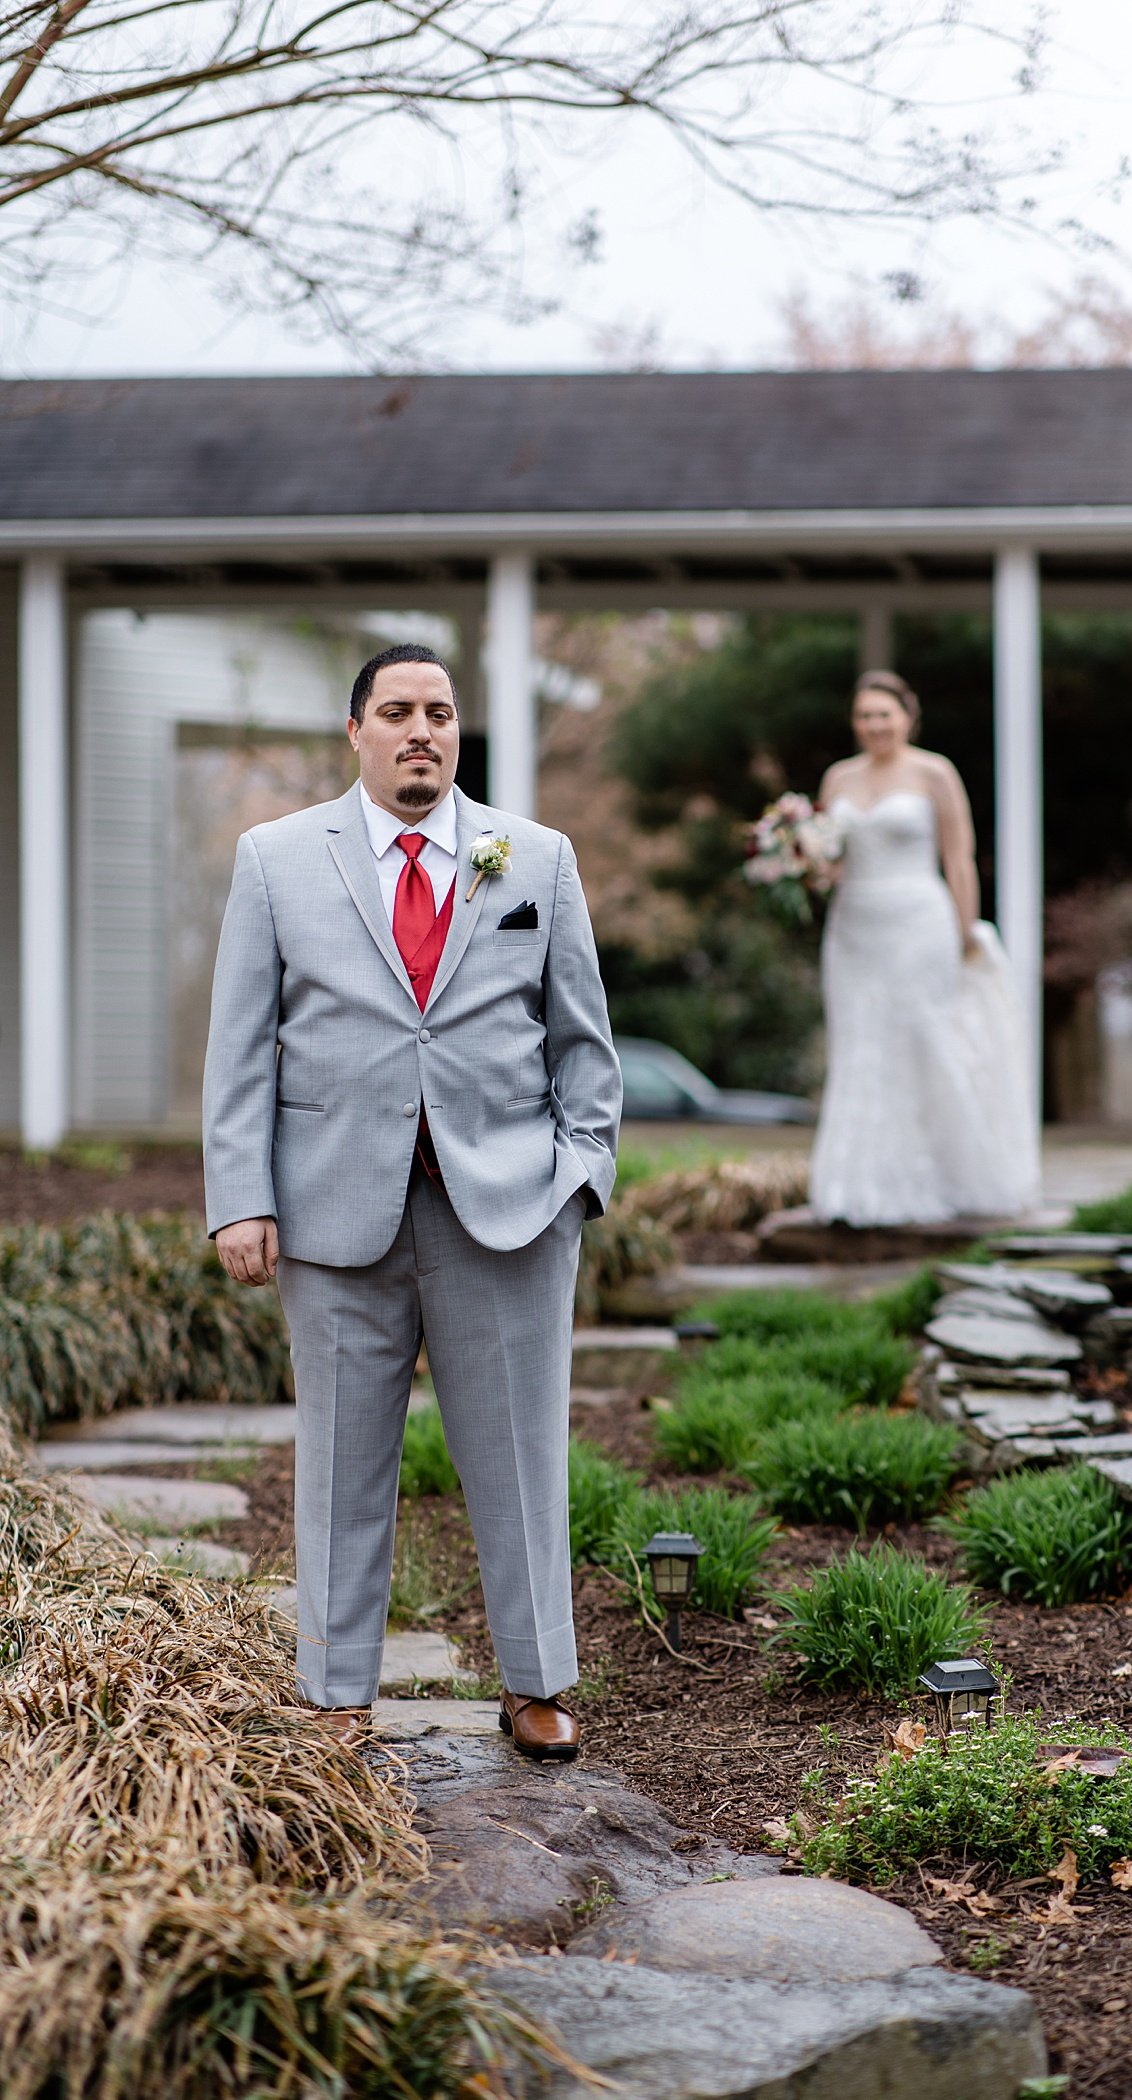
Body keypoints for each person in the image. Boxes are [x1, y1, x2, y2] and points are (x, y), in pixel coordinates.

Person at [203, 642, 622, 1758]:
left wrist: (580, 1176)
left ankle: (535, 1683)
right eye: (397, 710)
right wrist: (240, 1197)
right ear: (357, 733)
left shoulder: (533, 857)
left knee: (522, 1462)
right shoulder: (275, 858)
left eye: (438, 710)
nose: (420, 729)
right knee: (340, 1461)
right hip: (333, 1211)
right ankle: (340, 1690)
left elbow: (585, 1041)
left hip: (510, 1213)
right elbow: (241, 1049)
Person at [808, 669, 1038, 1226]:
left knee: (924, 1039)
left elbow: (960, 856)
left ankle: (948, 1176)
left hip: (920, 923)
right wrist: (805, 863)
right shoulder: (838, 778)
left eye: (884, 714)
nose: (874, 725)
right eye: (864, 716)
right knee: (860, 1045)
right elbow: (829, 864)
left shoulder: (935, 772)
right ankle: (857, 1186)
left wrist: (964, 932)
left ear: (908, 717)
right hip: (854, 928)